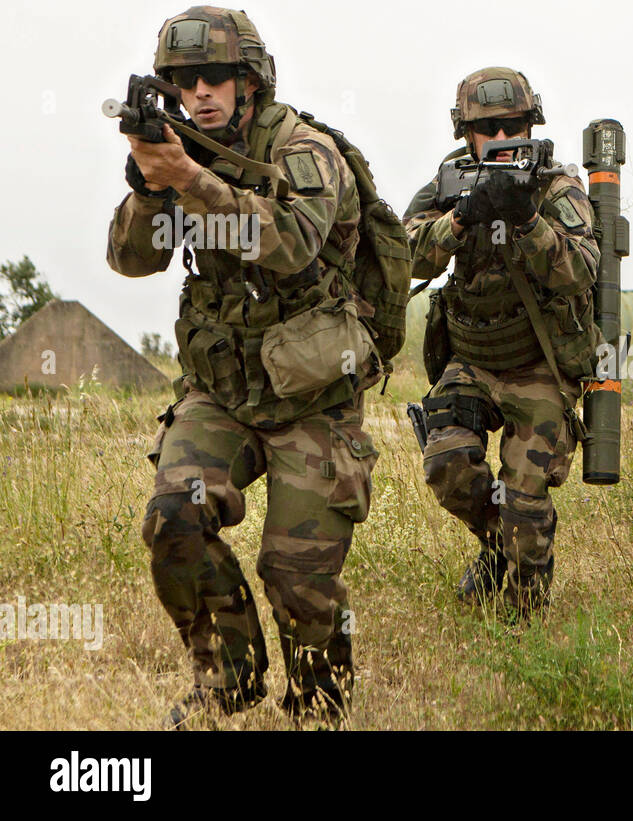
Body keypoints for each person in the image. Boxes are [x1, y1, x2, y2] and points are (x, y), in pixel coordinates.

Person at [107, 6, 380, 726]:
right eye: (185, 79)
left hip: (312, 393)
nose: (201, 92)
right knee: (173, 517)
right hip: (223, 390)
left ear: (250, 81)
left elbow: (290, 240)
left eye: (216, 77)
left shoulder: (304, 148)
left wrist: (189, 179)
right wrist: (147, 187)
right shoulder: (179, 151)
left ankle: (319, 702)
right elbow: (131, 260)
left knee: (296, 577)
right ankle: (226, 676)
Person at [404, 67, 599, 617]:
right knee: (448, 464)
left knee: (523, 500)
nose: (501, 138)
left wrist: (526, 218)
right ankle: (500, 547)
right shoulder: (448, 185)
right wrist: (461, 221)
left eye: (512, 125)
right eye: (487, 127)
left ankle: (524, 617)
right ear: (466, 133)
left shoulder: (556, 188)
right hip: (471, 358)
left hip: (538, 362)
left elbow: (581, 269)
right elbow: (401, 257)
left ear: (530, 125)